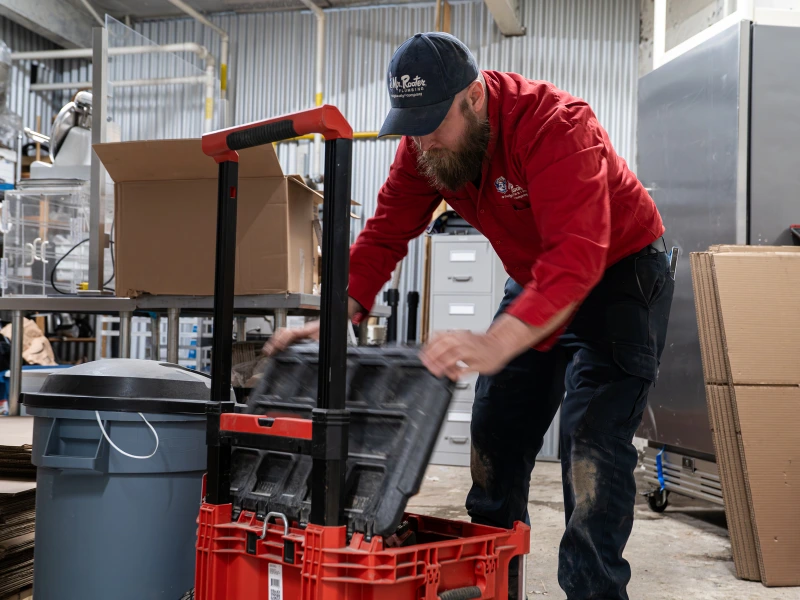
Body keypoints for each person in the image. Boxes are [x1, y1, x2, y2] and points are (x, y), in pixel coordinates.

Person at [265, 32, 674, 600]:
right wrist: (338, 316)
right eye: (412, 126)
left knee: (592, 447)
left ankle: (595, 591)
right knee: (496, 430)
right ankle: (493, 583)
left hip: (619, 273)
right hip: (538, 276)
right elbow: (385, 232)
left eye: (434, 122)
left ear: (475, 97)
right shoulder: (425, 148)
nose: (423, 140)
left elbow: (577, 256)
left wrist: (497, 341)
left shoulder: (557, 125)